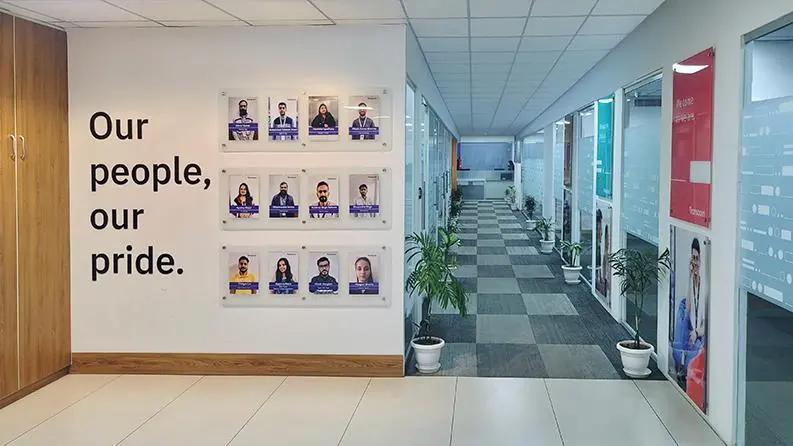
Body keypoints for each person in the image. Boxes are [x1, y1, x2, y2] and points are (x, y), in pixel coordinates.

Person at [672, 238, 706, 387]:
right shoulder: (695, 281)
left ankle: (689, 376)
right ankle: (684, 373)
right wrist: (690, 277)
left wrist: (697, 332)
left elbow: (709, 321)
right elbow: (688, 308)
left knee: (693, 349)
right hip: (695, 333)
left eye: (697, 258)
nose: (695, 262)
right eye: (693, 258)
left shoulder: (706, 286)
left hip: (703, 335)